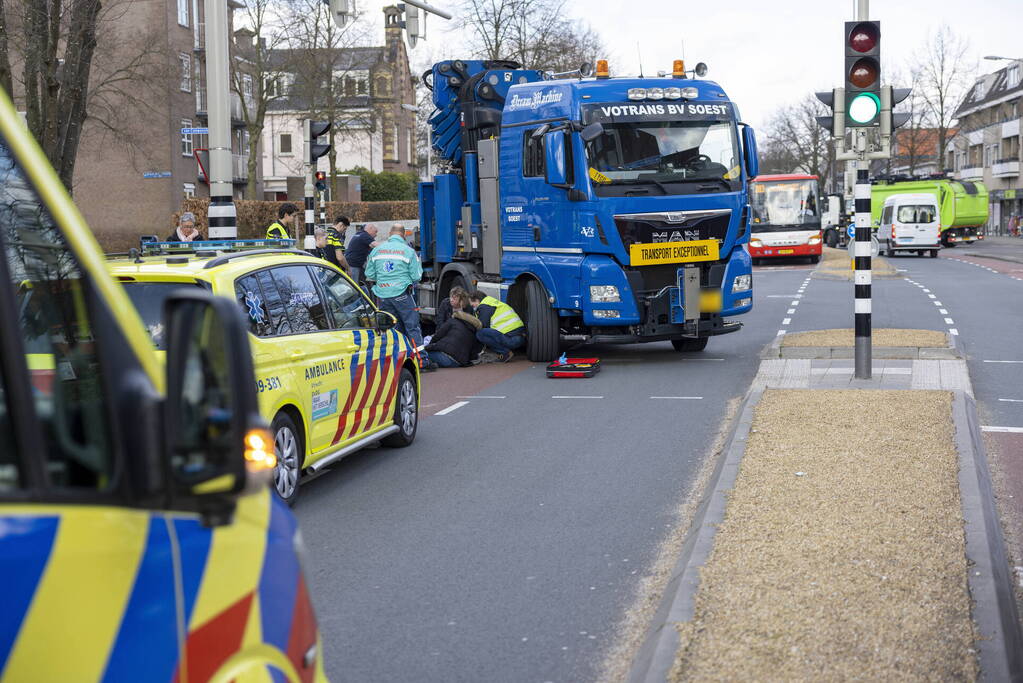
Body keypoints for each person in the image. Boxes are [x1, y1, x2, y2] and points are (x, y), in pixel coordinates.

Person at [364, 223, 424, 349]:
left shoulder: (376, 250)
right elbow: (416, 276)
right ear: (403, 236)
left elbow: (369, 274)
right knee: (412, 326)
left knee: (390, 328)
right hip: (402, 294)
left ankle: (395, 358)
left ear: (390, 234)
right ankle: (421, 360)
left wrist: (384, 280)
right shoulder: (408, 251)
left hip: (382, 295)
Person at [470, 289, 526, 362]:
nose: (472, 307)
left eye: (472, 304)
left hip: (512, 339)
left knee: (480, 333)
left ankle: (505, 352)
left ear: (477, 300)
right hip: (520, 337)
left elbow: (483, 326)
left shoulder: (484, 306)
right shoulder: (493, 303)